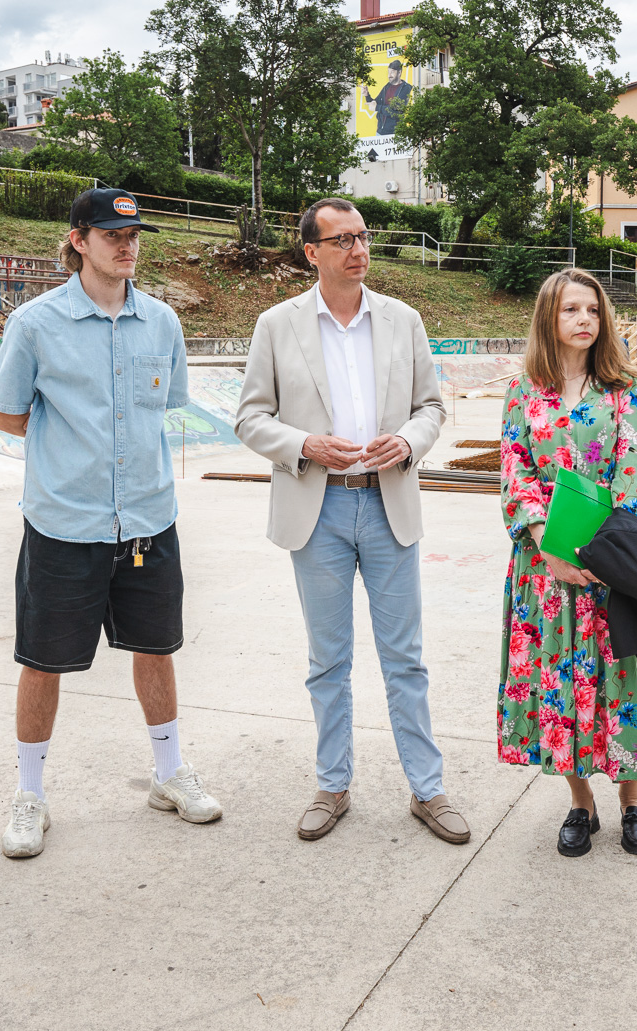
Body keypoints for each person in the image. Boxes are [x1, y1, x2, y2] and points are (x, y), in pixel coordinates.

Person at [0, 187, 221, 859]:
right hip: (64, 522)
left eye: (134, 234)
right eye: (112, 233)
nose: (127, 244)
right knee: (43, 659)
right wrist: (70, 458)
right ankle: (29, 793)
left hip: (149, 516)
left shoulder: (163, 323)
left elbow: (168, 404)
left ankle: (170, 773)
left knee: (157, 647)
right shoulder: (36, 324)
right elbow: (9, 415)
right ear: (78, 240)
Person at [234, 197, 468, 845]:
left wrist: (411, 443)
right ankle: (332, 785)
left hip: (389, 501)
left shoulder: (403, 320)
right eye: (342, 241)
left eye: (362, 237)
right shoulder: (277, 325)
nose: (358, 250)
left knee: (405, 660)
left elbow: (430, 406)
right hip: (319, 507)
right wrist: (304, 444)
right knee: (327, 661)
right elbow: (251, 418)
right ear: (312, 252)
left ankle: (428, 789)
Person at [496, 268, 637, 857]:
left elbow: (633, 480)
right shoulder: (523, 393)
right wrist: (548, 547)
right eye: (570, 310)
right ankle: (580, 802)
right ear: (549, 318)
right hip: (542, 574)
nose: (584, 319)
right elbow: (516, 472)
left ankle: (633, 800)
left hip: (608, 569)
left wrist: (595, 557)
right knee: (557, 686)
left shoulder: (626, 391)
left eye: (592, 309)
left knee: (618, 682)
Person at [364, 59, 413, 135]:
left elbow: (395, 111)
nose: (389, 75)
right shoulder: (387, 87)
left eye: (392, 72)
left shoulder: (405, 88)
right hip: (380, 132)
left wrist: (377, 108)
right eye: (388, 72)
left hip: (395, 133)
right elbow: (376, 102)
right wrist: (367, 95)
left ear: (399, 73)